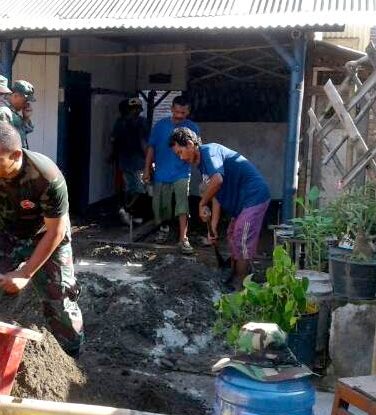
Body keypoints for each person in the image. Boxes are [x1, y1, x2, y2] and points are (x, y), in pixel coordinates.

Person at [0, 121, 84, 357]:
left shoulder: (46, 176)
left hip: (47, 237)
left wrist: (25, 273)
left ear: (15, 154)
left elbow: (55, 231)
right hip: (8, 234)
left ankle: (71, 361)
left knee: (61, 303)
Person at [168, 127, 270, 290]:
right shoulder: (202, 164)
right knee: (231, 234)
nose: (180, 158)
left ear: (189, 144)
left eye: (180, 152)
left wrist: (201, 203)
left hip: (254, 197)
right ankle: (239, 271)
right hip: (242, 204)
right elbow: (217, 193)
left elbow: (218, 181)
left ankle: (241, 285)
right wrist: (213, 227)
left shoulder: (210, 152)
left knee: (242, 237)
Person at [142, 95, 200, 253]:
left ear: (188, 111)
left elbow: (196, 150)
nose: (180, 116)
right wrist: (147, 169)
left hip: (182, 172)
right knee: (161, 208)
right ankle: (164, 228)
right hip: (161, 172)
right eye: (177, 112)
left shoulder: (193, 127)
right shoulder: (160, 126)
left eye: (183, 113)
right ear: (171, 109)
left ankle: (183, 238)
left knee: (182, 206)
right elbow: (151, 148)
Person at [111, 97, 146, 225]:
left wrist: (113, 156)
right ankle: (132, 212)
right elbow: (144, 142)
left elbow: (113, 140)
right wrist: (149, 159)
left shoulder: (120, 122)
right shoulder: (142, 122)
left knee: (128, 187)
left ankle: (126, 211)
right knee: (139, 189)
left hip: (123, 160)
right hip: (138, 161)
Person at [0, 80, 35, 149]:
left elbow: (24, 131)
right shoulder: (4, 111)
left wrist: (26, 118)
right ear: (15, 96)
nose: (26, 104)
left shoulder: (12, 110)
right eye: (24, 101)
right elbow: (3, 141)